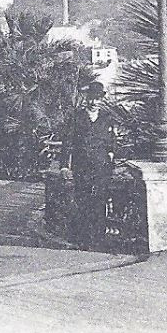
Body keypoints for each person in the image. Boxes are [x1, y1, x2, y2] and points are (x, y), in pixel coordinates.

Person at [63, 81, 116, 248]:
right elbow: (68, 142)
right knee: (83, 200)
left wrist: (111, 158)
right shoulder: (76, 117)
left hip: (101, 167)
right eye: (91, 99)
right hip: (82, 166)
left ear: (102, 99)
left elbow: (112, 143)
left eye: (97, 99)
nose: (94, 103)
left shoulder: (107, 118)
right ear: (86, 98)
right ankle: (83, 239)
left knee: (100, 201)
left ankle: (98, 238)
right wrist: (65, 166)